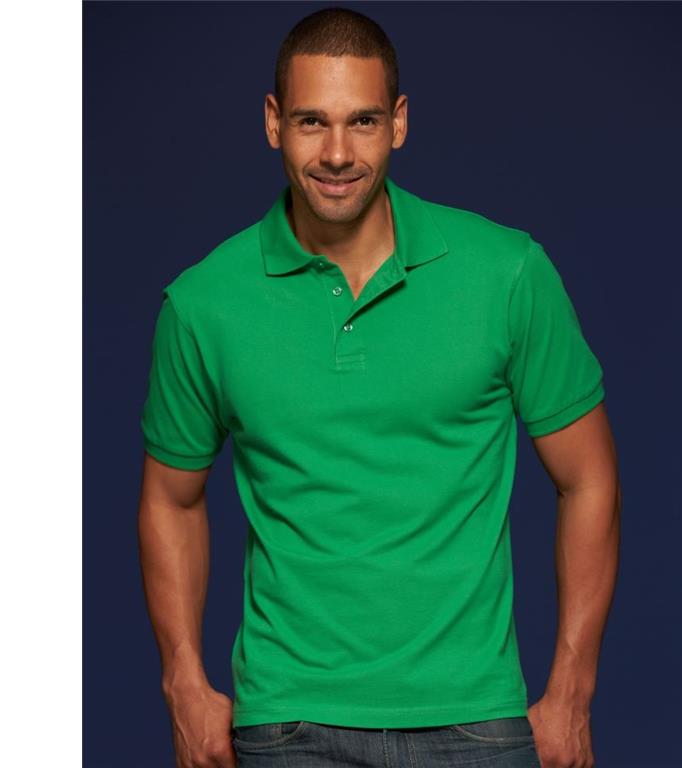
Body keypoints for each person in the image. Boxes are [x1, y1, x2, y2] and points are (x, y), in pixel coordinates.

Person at [137, 7, 620, 768]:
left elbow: (589, 478)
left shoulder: (506, 273)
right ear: (273, 122)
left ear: (398, 122)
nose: (337, 153)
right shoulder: (205, 303)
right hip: (288, 725)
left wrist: (572, 690)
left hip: (476, 722)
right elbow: (171, 498)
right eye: (312, 122)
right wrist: (183, 683)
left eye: (362, 121)